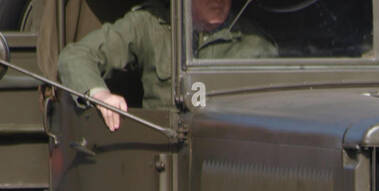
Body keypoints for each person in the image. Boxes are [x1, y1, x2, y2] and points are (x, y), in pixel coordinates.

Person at [58, 0, 275, 131]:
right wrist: (100, 95)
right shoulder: (151, 25)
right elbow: (75, 56)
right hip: (164, 157)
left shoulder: (254, 44)